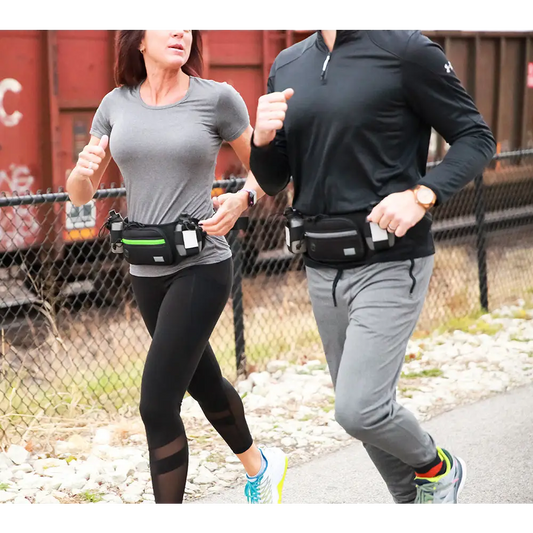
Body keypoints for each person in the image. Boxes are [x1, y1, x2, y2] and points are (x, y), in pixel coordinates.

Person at [250, 27, 496, 506]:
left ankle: (439, 468)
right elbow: (276, 179)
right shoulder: (288, 63)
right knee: (365, 409)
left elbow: (475, 136)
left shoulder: (406, 50)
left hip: (391, 259)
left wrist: (422, 194)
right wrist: (261, 140)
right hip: (321, 265)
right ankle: (412, 498)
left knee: (359, 409)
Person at [66, 27, 288, 507]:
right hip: (144, 270)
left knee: (156, 403)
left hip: (201, 264)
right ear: (138, 41)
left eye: (188, 26)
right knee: (203, 382)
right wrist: (80, 175)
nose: (181, 32)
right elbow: (80, 195)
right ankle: (262, 468)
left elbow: (267, 171)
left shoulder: (217, 100)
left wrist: (243, 198)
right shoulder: (115, 104)